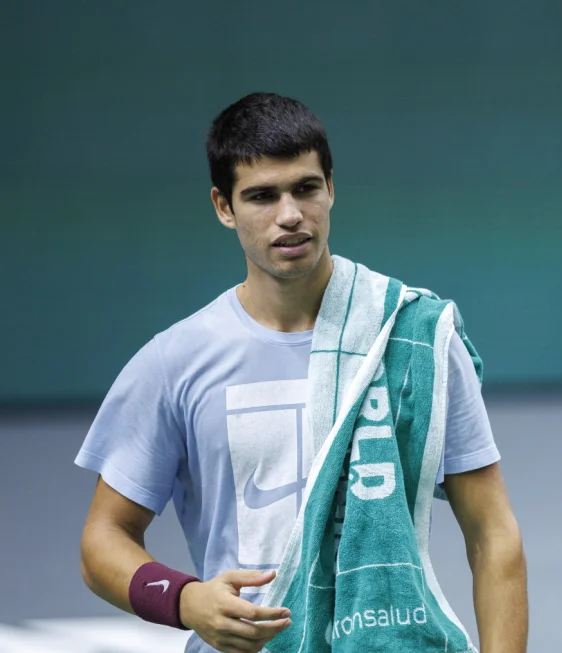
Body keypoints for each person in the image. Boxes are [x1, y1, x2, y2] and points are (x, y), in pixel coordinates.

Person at [75, 92, 528, 653]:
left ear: (331, 188)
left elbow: (494, 535)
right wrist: (185, 600)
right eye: (262, 196)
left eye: (305, 188)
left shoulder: (413, 336)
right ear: (223, 206)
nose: (289, 214)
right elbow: (103, 538)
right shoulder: (174, 362)